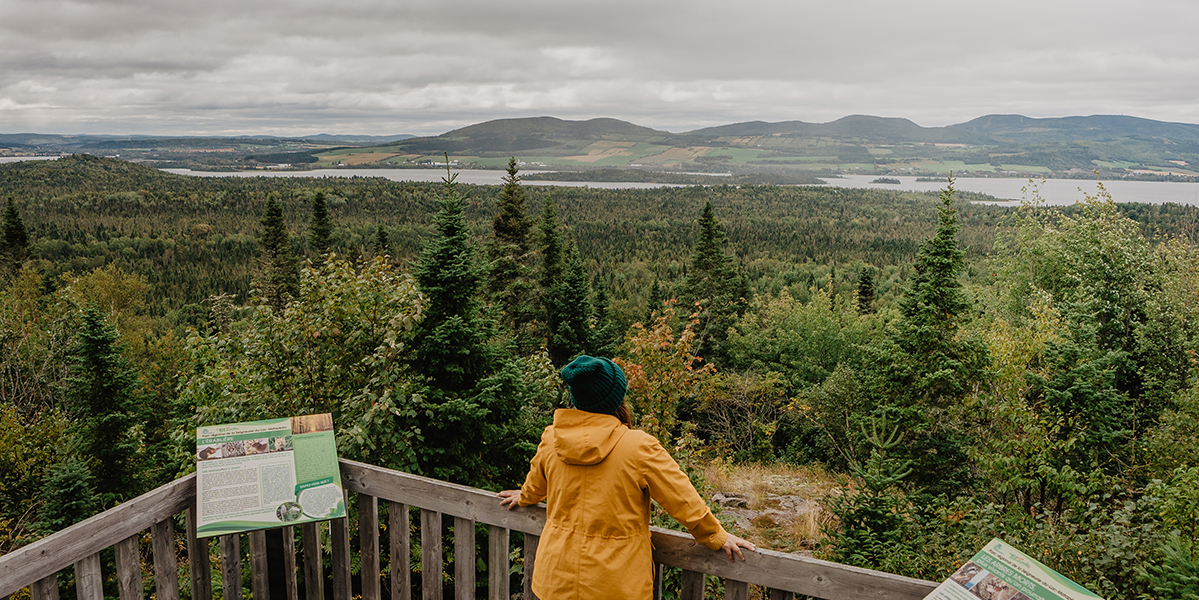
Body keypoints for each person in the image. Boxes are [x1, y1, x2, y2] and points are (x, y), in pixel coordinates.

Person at [498, 355, 755, 600]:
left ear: (577, 399)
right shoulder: (639, 446)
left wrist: (525, 496)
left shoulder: (552, 438)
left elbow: (536, 484)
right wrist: (717, 536)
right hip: (615, 583)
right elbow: (682, 500)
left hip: (556, 578)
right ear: (616, 398)